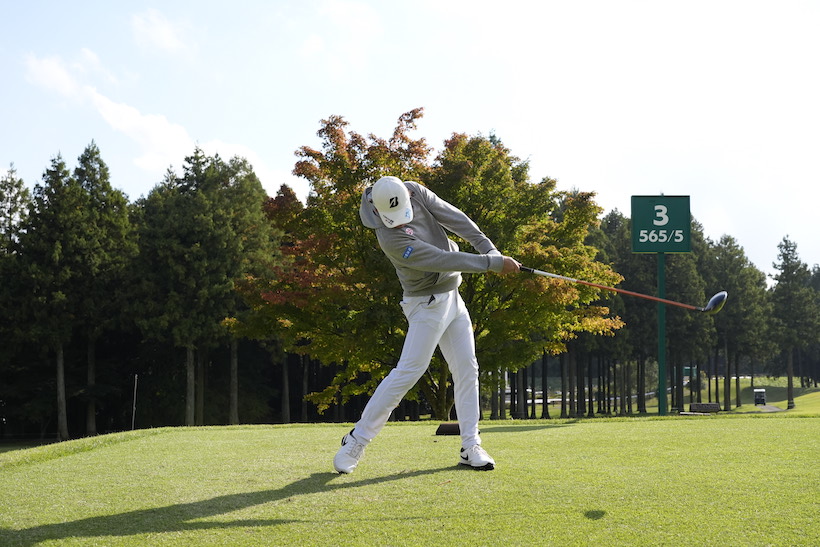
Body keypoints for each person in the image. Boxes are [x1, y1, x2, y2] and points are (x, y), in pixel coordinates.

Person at [333, 176, 520, 474]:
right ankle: (356, 440)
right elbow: (441, 259)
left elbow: (454, 217)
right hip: (425, 305)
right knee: (409, 371)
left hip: (453, 298)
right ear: (378, 211)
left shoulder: (414, 191)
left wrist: (489, 248)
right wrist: (491, 264)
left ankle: (470, 445)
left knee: (467, 368)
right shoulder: (389, 238)